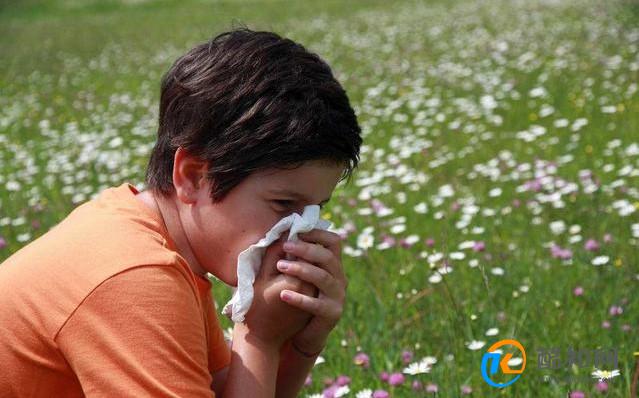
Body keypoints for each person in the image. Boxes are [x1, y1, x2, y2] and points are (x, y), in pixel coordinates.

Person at [0, 27, 362, 397]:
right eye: (284, 205)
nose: (298, 230)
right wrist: (260, 340)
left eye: (315, 209)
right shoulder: (136, 276)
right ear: (191, 177)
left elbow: (225, 391)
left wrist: (302, 342)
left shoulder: (163, 242)